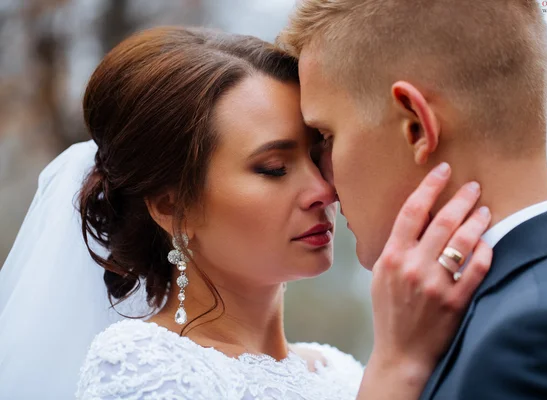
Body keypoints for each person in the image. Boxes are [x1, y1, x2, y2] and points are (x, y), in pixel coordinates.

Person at [0, 27, 492, 399]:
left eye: (318, 152)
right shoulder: (143, 369)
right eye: (274, 168)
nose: (323, 189)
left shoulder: (340, 372)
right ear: (173, 206)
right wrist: (398, 364)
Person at [278, 0, 547, 399]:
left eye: (326, 138)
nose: (324, 183)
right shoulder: (507, 316)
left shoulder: (539, 340)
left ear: (416, 126)